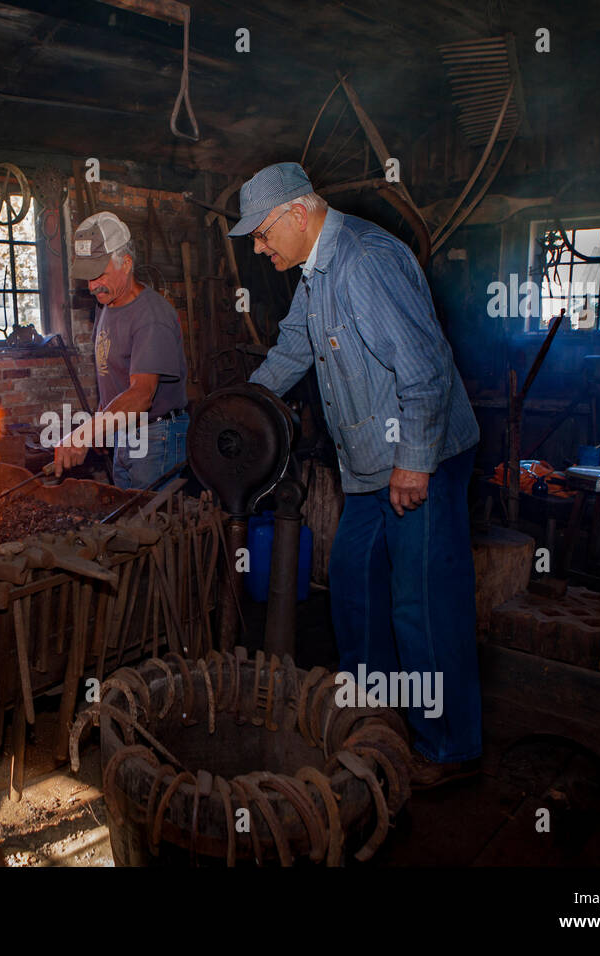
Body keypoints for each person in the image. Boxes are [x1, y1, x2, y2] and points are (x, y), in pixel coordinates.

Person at [232, 162, 482, 789]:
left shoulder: (364, 261)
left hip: (421, 456)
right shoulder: (314, 275)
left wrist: (415, 462)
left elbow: (425, 369)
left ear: (297, 212)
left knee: (421, 606)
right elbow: (292, 350)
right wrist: (238, 409)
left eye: (263, 235)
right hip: (368, 466)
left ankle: (448, 747)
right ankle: (372, 721)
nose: (260, 250)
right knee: (352, 586)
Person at [53, 211, 190, 489]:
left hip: (156, 436)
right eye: (87, 278)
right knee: (128, 522)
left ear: (126, 264)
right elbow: (112, 373)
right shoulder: (106, 305)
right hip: (126, 431)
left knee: (149, 527)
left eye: (99, 275)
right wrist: (103, 426)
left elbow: (141, 395)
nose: (92, 287)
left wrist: (85, 434)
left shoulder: (151, 315)